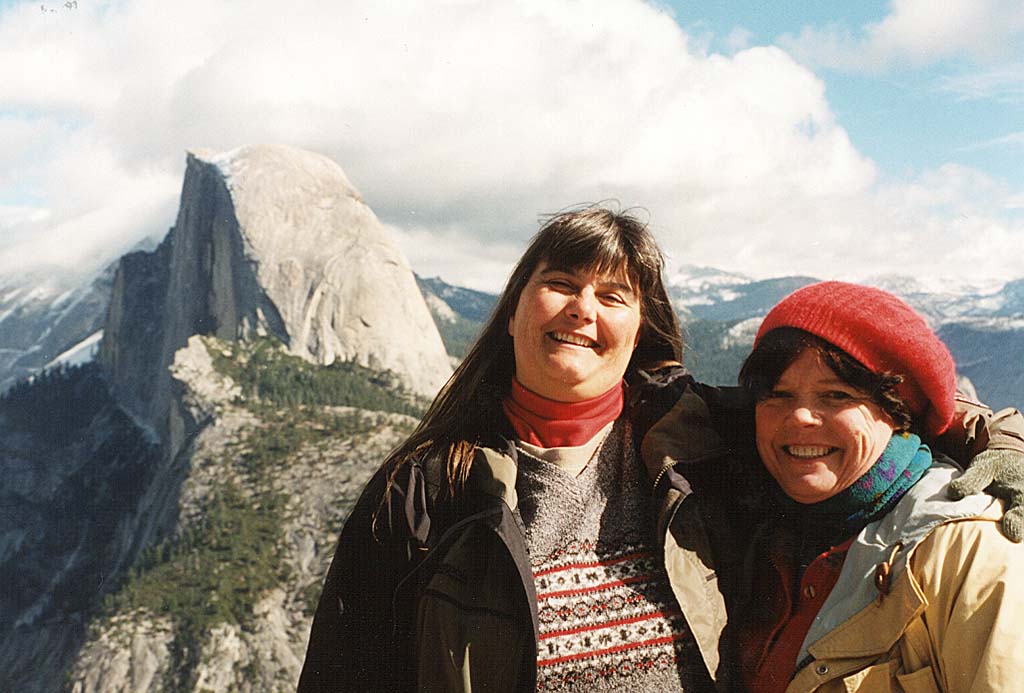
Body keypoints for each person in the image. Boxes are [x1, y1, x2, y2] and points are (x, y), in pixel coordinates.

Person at [300, 207, 1024, 691]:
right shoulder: (425, 491)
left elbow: (866, 413)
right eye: (560, 284)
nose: (582, 308)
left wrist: (1006, 446)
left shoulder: (697, 439)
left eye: (613, 295)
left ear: (640, 328)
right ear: (514, 310)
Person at [730, 281, 1024, 691]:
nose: (799, 417)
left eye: (836, 395)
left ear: (897, 411)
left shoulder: (967, 547)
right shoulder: (761, 527)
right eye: (777, 395)